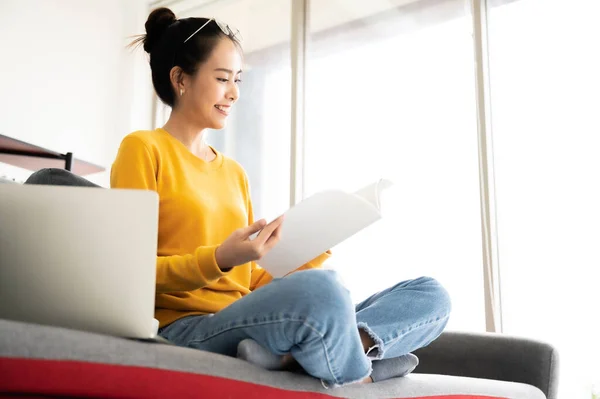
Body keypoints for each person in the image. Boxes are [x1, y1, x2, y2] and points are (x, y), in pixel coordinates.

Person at [110, 7, 452, 388]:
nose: (234, 93)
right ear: (180, 79)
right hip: (186, 329)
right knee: (325, 292)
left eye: (238, 79)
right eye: (222, 78)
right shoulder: (143, 149)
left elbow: (251, 282)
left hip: (248, 317)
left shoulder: (233, 172)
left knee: (430, 295)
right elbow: (130, 275)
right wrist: (221, 258)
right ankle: (361, 373)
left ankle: (295, 357)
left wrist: (313, 245)